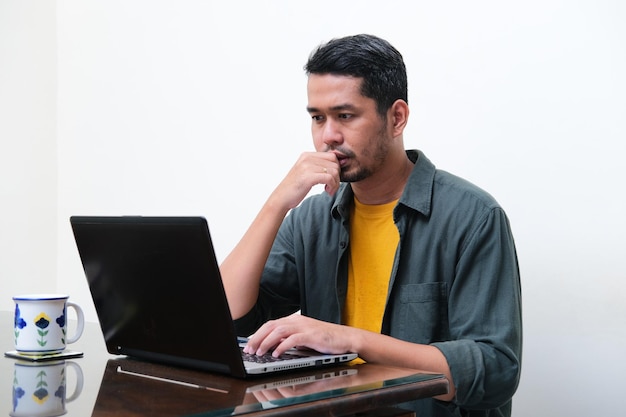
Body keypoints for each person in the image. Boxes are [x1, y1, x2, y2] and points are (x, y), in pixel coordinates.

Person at [220, 34, 522, 416]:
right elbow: (228, 320)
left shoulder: (473, 217)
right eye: (317, 117)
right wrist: (276, 204)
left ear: (396, 118)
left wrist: (350, 340)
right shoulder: (311, 220)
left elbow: (494, 370)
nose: (328, 136)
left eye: (345, 116)